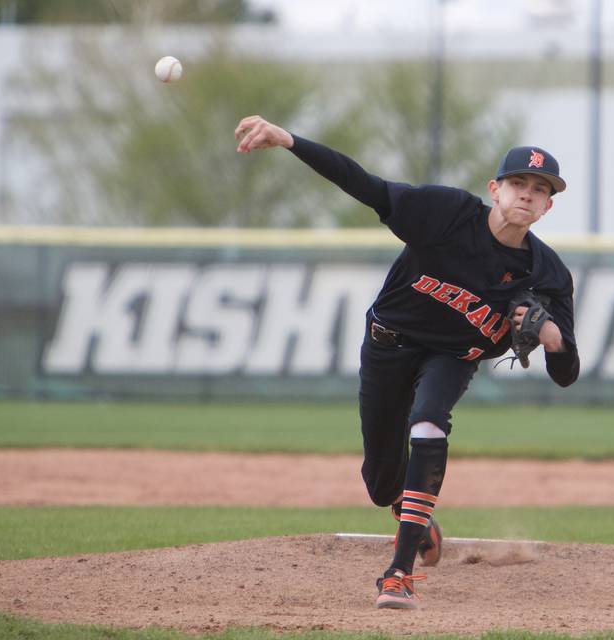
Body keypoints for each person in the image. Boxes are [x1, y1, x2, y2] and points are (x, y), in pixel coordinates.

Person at [234, 115, 580, 610]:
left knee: (429, 424)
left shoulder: (548, 273)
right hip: (388, 345)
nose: (527, 194)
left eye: (540, 189)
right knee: (379, 483)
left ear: (547, 207)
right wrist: (289, 141)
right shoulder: (445, 213)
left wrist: (551, 336)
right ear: (495, 189)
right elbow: (365, 185)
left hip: (453, 357)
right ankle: (411, 513)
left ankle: (398, 573)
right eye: (518, 182)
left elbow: (567, 373)